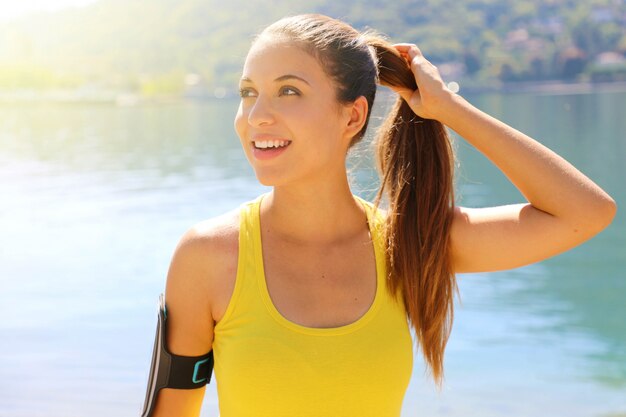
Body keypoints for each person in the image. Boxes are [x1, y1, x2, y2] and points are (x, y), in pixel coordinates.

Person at [147, 13, 616, 417]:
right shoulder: (207, 257)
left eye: (288, 91)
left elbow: (585, 212)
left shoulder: (405, 245)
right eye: (248, 92)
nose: (256, 116)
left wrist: (448, 108)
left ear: (352, 117)